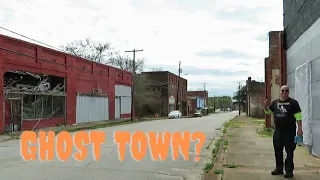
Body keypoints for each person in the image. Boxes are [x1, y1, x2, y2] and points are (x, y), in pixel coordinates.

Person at [263, 85, 303, 178]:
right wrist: (265, 106)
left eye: (286, 91)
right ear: (280, 91)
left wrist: (300, 128)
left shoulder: (293, 103)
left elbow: (298, 116)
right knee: (277, 150)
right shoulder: (275, 102)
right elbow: (268, 112)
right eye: (282, 91)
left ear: (288, 92)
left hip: (290, 132)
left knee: (289, 151)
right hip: (278, 131)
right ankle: (279, 168)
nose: (284, 92)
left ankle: (289, 171)